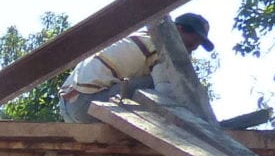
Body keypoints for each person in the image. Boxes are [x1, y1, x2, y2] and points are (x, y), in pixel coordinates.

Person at [59, 13, 216, 120]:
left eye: (197, 46)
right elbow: (166, 91)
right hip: (86, 105)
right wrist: (198, 119)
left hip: (68, 105)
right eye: (191, 43)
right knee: (170, 86)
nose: (192, 49)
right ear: (178, 29)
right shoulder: (163, 45)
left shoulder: (144, 36)